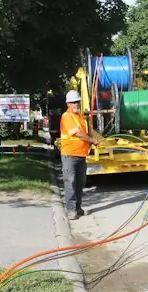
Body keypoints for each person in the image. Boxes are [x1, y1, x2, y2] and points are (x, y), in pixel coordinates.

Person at [60, 90, 99, 220]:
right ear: (68, 104)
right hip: (69, 155)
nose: (76, 104)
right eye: (73, 102)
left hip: (81, 155)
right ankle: (71, 210)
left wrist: (93, 139)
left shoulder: (81, 117)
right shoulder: (66, 116)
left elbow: (86, 132)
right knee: (70, 182)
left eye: (77, 102)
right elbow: (77, 133)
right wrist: (92, 140)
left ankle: (78, 207)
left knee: (80, 182)